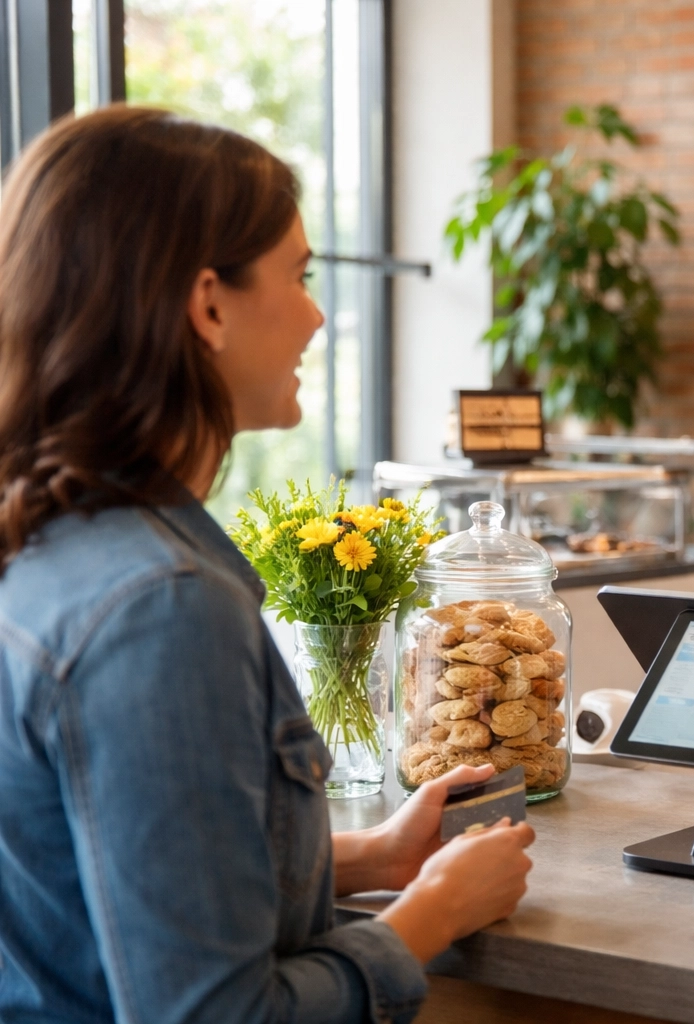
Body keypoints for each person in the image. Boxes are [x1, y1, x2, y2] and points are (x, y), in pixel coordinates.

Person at [0, 107, 533, 1023]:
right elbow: (216, 1014)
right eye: (300, 273)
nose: (319, 313)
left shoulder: (51, 546)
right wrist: (431, 913)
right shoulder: (161, 608)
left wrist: (372, 858)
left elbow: (109, 886)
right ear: (208, 305)